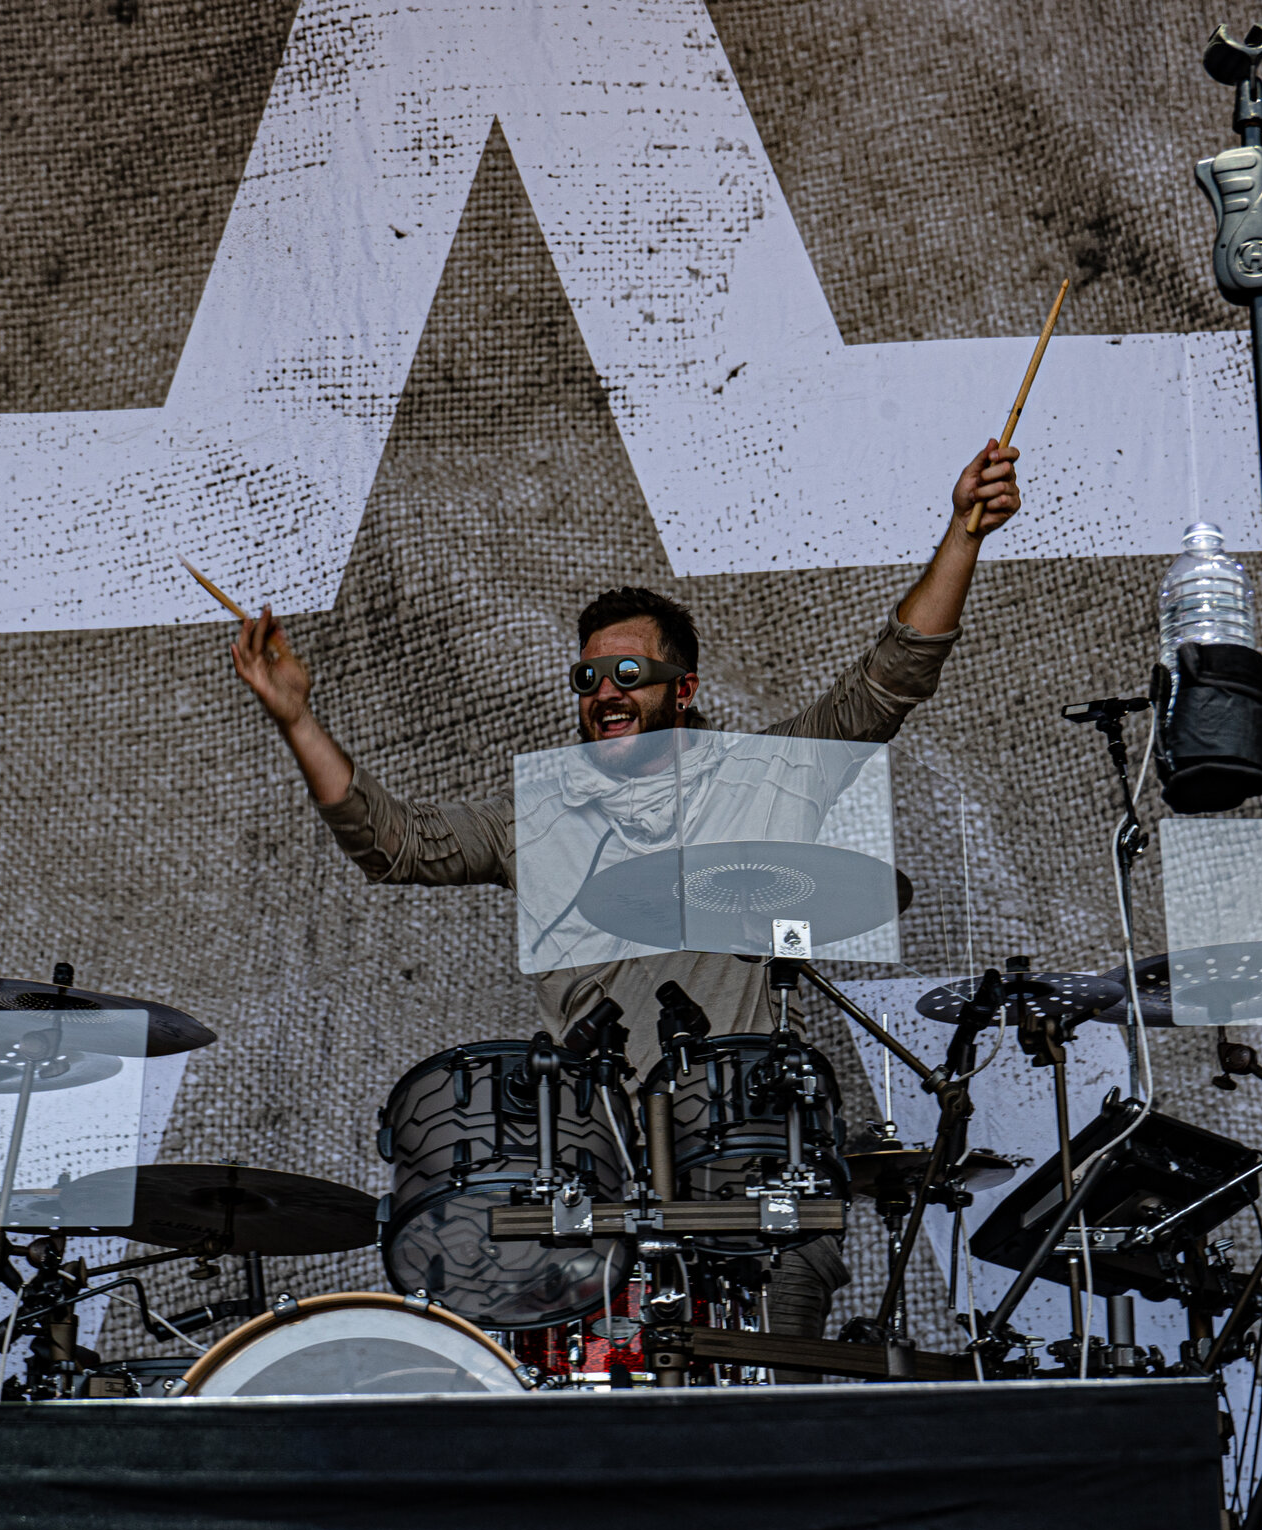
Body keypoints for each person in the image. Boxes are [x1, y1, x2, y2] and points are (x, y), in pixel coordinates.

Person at [228, 440, 1022, 1346]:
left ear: (682, 691)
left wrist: (963, 534)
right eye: (589, 677)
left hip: (742, 1146)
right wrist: (297, 717)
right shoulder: (542, 819)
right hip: (597, 1156)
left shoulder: (759, 779)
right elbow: (392, 842)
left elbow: (888, 682)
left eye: (629, 675)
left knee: (783, 1313)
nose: (604, 692)